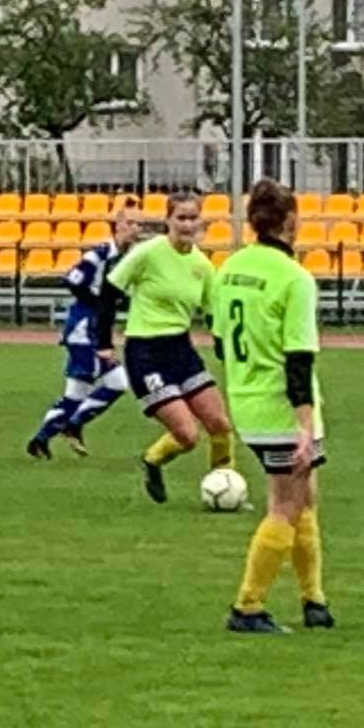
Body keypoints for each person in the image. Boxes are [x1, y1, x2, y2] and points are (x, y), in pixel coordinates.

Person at [211, 180, 332, 634]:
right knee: (286, 504)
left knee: (305, 497)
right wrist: (304, 425)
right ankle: (247, 606)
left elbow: (220, 343)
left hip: (245, 401)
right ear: (291, 221)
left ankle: (314, 600)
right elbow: (299, 360)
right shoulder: (294, 278)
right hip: (280, 408)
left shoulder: (229, 269)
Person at [108, 188, 238, 504]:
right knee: (188, 435)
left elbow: (213, 313)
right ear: (168, 220)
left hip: (181, 349)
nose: (187, 224)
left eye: (193, 218)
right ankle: (152, 460)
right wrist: (102, 341)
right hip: (145, 353)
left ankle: (225, 481)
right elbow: (109, 289)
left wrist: (225, 350)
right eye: (181, 217)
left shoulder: (202, 265)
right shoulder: (148, 253)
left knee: (220, 424)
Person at [28, 199, 143, 459]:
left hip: (94, 329)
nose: (136, 228)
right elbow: (72, 280)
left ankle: (41, 439)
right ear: (118, 225)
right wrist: (99, 302)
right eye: (131, 223)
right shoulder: (100, 254)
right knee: (116, 382)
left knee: (77, 393)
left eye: (140, 224)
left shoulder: (130, 257)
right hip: (83, 330)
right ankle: (73, 425)